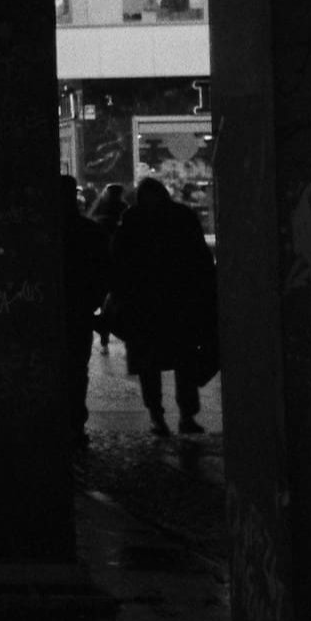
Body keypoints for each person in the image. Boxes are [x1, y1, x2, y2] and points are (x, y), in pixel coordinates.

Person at [109, 177, 216, 436]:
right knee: (183, 360)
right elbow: (200, 258)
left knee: (150, 364)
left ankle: (158, 416)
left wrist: (122, 294)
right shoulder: (182, 217)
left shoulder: (133, 220)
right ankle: (186, 415)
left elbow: (119, 261)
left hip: (144, 304)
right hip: (179, 302)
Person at [61, 175, 111, 440]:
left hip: (60, 309)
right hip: (81, 310)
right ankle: (75, 422)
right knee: (78, 369)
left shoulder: (43, 232)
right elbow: (104, 272)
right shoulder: (90, 231)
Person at [87, 183, 128, 354]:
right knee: (115, 301)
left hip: (102, 263)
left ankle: (104, 335)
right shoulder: (124, 209)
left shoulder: (99, 211)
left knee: (106, 301)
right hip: (118, 264)